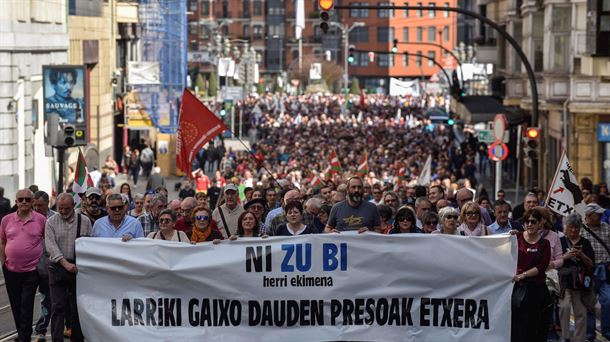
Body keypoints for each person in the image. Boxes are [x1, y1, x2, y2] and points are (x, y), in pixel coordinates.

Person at [45, 193, 92, 342]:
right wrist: (65, 264)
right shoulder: (51, 222)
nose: (63, 212)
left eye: (66, 208)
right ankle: (57, 339)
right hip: (57, 268)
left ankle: (77, 339)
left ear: (73, 206)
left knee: (76, 309)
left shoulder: (84, 221)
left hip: (78, 270)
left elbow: (90, 244)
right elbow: (51, 247)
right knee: (58, 307)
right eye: (60, 209)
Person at [0, 189, 46, 342]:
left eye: (27, 199)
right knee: (15, 304)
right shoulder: (6, 220)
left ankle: (24, 337)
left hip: (32, 270)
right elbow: (2, 241)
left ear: (33, 201)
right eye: (21, 199)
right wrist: (3, 262)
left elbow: (47, 241)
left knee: (26, 305)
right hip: (10, 269)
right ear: (16, 202)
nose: (24, 202)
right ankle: (22, 333)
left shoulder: (40, 219)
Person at [511, 207, 552, 342]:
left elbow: (541, 266)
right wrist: (506, 238)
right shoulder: (515, 238)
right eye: (527, 221)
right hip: (517, 289)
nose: (529, 224)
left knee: (533, 326)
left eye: (533, 221)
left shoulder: (544, 244)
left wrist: (524, 275)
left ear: (540, 223)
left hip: (536, 290)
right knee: (517, 325)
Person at [558, 213, 595, 342]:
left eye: (576, 227)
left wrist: (581, 255)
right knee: (564, 307)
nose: (574, 230)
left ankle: (579, 339)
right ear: (566, 227)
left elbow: (591, 264)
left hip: (580, 283)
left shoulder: (585, 242)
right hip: (564, 282)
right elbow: (554, 262)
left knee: (581, 313)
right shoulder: (561, 241)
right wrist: (566, 256)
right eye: (571, 227)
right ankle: (565, 337)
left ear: (580, 228)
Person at [582, 203, 610, 340]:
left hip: (605, 270)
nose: (600, 216)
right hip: (588, 272)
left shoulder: (606, 227)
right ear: (588, 216)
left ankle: (607, 331)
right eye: (597, 214)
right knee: (589, 304)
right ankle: (589, 334)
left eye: (600, 214)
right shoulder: (581, 229)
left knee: (608, 300)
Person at [32, 191, 56, 342]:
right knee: (25, 301)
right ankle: (23, 330)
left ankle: (41, 330)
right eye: (34, 205)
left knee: (47, 300)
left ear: (48, 203)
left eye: (40, 205)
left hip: (47, 267)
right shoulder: (29, 216)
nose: (36, 208)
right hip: (29, 267)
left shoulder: (54, 218)